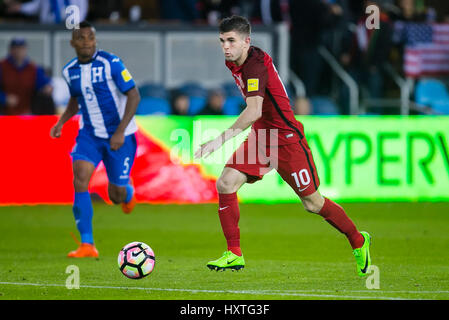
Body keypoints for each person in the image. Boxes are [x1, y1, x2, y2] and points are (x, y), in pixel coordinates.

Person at [195, 15, 372, 277]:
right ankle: (234, 253)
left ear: (247, 41)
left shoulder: (254, 65)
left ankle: (358, 240)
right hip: (261, 136)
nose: (226, 47)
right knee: (225, 183)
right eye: (222, 41)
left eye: (231, 41)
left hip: (286, 139)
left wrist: (218, 140)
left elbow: (254, 110)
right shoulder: (234, 61)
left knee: (313, 203)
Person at [50, 21, 141, 258]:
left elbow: (134, 94)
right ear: (73, 43)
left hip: (119, 136)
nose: (87, 42)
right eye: (81, 38)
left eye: (90, 37)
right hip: (89, 134)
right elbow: (75, 100)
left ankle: (128, 193)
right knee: (79, 178)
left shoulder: (111, 63)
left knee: (115, 195)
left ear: (95, 40)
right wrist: (61, 122)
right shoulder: (69, 71)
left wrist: (120, 131)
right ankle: (87, 245)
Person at [0, 37, 53, 115]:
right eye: (15, 48)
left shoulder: (33, 68)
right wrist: (4, 99)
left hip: (26, 113)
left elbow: (45, 85)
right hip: (4, 113)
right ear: (10, 50)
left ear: (25, 50)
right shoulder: (2, 66)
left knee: (47, 99)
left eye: (21, 48)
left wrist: (47, 88)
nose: (18, 51)